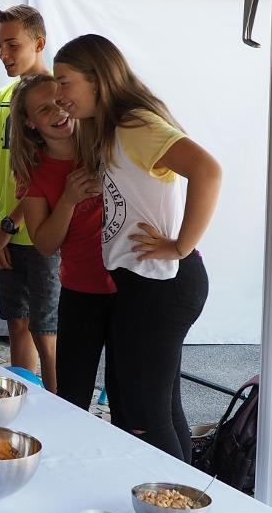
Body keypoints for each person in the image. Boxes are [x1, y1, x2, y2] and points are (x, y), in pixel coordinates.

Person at [54, 34, 222, 461]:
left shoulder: (137, 125)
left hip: (164, 284)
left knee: (142, 411)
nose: (59, 96)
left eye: (65, 82)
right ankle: (177, 502)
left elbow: (207, 170)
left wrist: (181, 245)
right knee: (151, 407)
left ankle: (170, 508)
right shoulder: (112, 129)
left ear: (98, 79)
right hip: (141, 283)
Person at [8, 73, 124, 426]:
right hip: (81, 289)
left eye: (60, 101)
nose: (58, 112)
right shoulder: (34, 171)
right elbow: (44, 243)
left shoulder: (107, 144)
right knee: (72, 397)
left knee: (132, 399)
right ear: (29, 123)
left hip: (129, 286)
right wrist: (70, 200)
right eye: (44, 109)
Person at [0, 5, 61, 392]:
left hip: (42, 234)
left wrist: (9, 226)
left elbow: (48, 175)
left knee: (48, 330)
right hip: (5, 233)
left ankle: (65, 408)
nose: (3, 54)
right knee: (17, 323)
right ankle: (25, 400)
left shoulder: (58, 97)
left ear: (38, 42)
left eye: (12, 44)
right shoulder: (4, 96)